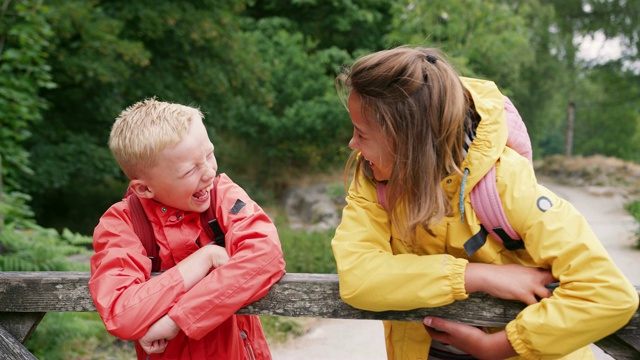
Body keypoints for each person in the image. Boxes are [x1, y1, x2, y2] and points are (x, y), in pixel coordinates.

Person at [331, 45, 639, 360]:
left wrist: (501, 346)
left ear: (409, 142)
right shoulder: (373, 179)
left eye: (362, 134)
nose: (352, 144)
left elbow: (609, 295)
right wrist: (475, 276)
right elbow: (358, 276)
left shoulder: (505, 185)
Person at [89, 98, 286, 359]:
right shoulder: (121, 225)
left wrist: (176, 320)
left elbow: (265, 257)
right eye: (190, 170)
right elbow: (122, 313)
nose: (208, 173)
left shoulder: (223, 197)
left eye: (209, 155)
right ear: (144, 188)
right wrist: (204, 259)